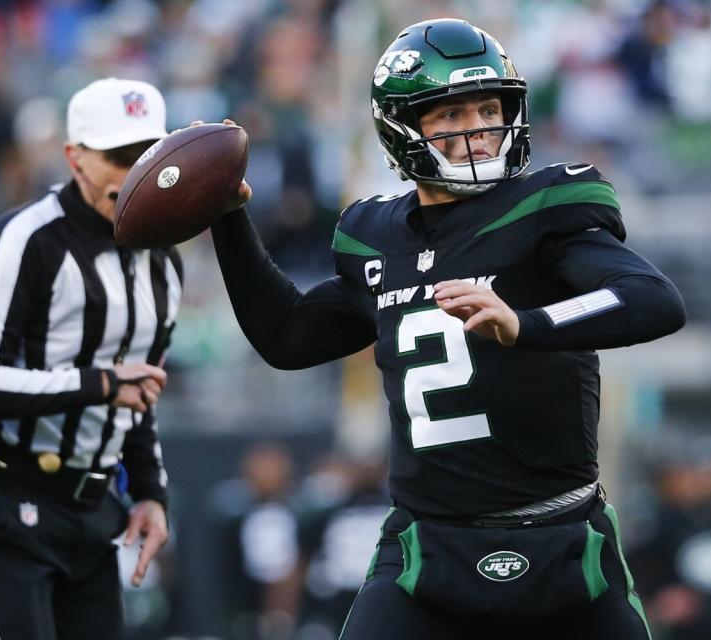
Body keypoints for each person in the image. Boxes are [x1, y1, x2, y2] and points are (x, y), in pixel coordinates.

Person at [211, 18, 685, 640]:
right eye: (451, 116)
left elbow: (653, 299)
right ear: (400, 128)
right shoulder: (375, 238)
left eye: (490, 108)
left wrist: (528, 324)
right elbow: (287, 337)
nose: (478, 132)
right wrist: (228, 217)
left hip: (562, 545)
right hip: (426, 553)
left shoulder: (543, 210)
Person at [0, 77, 182, 640]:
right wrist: (101, 383)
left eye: (147, 155)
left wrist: (151, 492)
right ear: (74, 157)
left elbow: (140, 390)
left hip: (88, 511)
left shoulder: (164, 262)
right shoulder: (23, 241)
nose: (134, 172)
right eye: (119, 156)